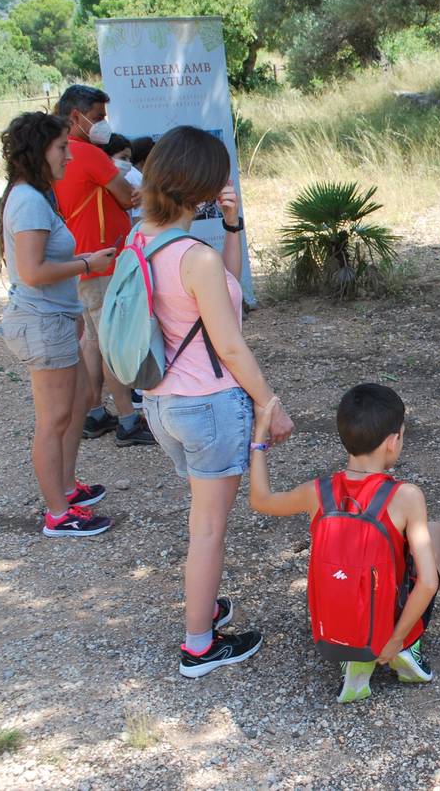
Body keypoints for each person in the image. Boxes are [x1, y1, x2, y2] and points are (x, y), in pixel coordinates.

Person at [135, 126, 295, 678]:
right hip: (207, 405)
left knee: (202, 519)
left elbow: (220, 292)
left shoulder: (143, 240)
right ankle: (199, 645)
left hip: (162, 404)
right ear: (197, 186)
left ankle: (203, 606)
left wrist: (231, 225)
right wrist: (269, 401)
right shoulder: (192, 257)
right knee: (207, 530)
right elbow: (229, 341)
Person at [249, 383, 440, 703]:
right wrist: (395, 641)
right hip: (385, 632)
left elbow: (261, 500)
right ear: (392, 441)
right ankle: (406, 648)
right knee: (438, 533)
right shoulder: (406, 496)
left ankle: (354, 660)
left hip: (332, 632)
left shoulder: (317, 492)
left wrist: (259, 437)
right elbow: (427, 582)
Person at [0, 112, 116, 537]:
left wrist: (73, 315)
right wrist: (87, 262)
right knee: (54, 419)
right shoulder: (28, 200)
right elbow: (32, 271)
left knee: (79, 400)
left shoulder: (34, 194)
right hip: (41, 322)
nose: (68, 156)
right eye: (62, 148)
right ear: (38, 152)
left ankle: (66, 488)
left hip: (56, 318)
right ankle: (57, 513)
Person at [52, 85, 151, 445]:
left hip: (79, 260)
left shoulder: (55, 155)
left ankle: (94, 413)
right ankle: (128, 420)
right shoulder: (88, 154)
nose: (103, 125)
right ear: (75, 117)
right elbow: (128, 198)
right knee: (112, 341)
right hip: (104, 260)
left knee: (93, 340)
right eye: (97, 117)